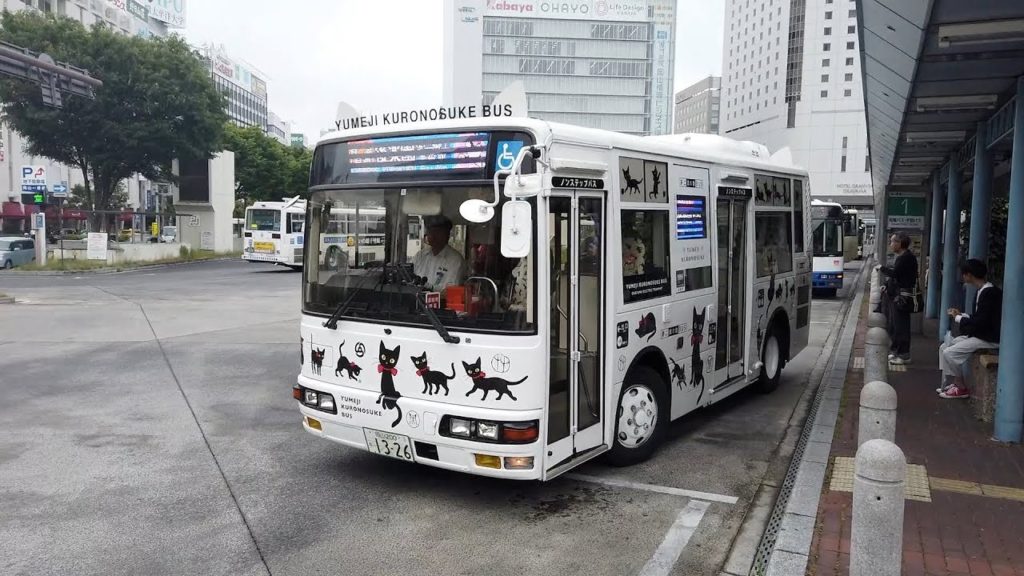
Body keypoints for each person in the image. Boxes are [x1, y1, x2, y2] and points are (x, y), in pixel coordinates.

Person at [937, 259, 1002, 399]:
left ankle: (960, 387)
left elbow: (982, 322)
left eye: (964, 274)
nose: (963, 277)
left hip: (989, 338)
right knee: (944, 347)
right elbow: (980, 317)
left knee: (949, 353)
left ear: (969, 275)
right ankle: (955, 383)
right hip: (982, 335)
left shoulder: (989, 293)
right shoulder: (983, 290)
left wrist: (958, 318)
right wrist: (962, 315)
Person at [878, 232, 918, 364]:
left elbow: (895, 274)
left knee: (901, 326)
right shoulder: (904, 257)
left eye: (892, 241)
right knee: (896, 325)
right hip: (898, 295)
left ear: (899, 243)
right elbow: (897, 276)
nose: (890, 244)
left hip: (902, 297)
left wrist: (881, 268)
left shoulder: (905, 258)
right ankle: (897, 351)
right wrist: (886, 285)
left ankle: (903, 354)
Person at [412, 215, 465, 292]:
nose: (433, 236)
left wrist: (429, 287)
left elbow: (451, 290)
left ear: (447, 235)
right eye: (430, 232)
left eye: (437, 232)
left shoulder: (455, 260)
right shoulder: (420, 255)